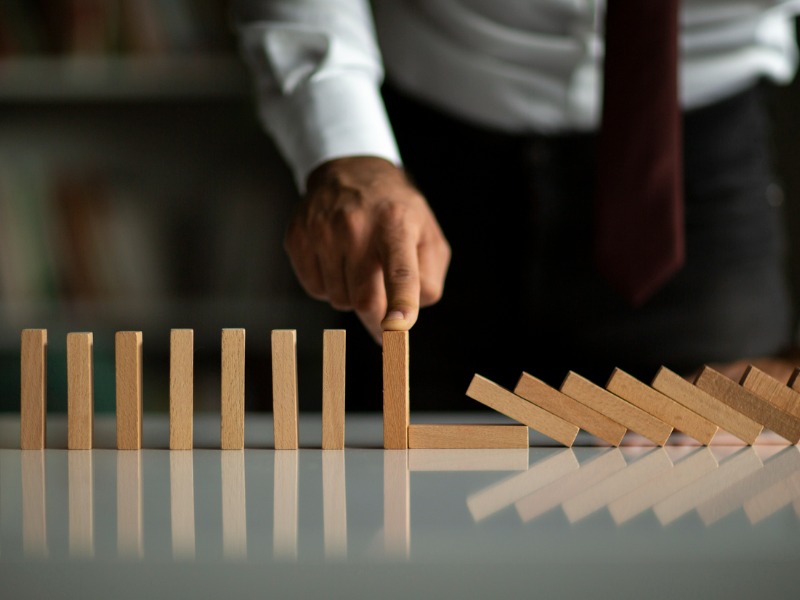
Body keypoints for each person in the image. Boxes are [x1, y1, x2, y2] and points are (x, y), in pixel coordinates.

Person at [233, 1, 800, 408]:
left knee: (706, 514)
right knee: (404, 529)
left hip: (695, 168)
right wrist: (345, 145)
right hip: (420, 151)